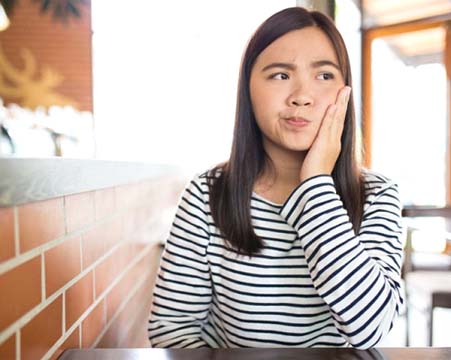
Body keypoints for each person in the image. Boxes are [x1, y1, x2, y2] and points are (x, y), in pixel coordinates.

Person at [148, 6, 403, 349]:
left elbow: (370, 329)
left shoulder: (377, 194)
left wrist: (315, 184)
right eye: (280, 75)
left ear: (345, 90)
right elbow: (171, 330)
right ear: (248, 90)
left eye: (324, 75)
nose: (301, 95)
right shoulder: (207, 194)